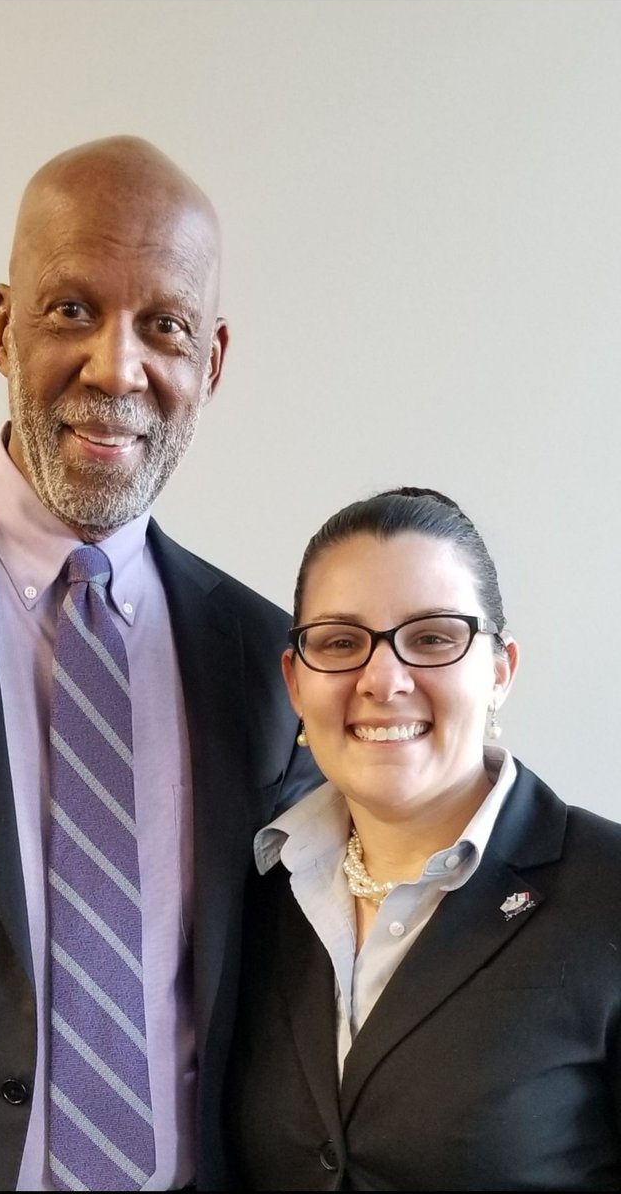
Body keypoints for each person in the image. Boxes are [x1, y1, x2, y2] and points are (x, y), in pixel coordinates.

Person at [0, 135, 321, 1192]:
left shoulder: (267, 660)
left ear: (210, 360)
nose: (116, 367)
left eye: (163, 325)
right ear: (0, 326)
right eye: (72, 308)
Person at [225, 486, 621, 1191]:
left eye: (433, 638)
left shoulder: (608, 895)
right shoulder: (257, 898)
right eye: (341, 642)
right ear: (295, 681)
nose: (383, 679)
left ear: (499, 673)